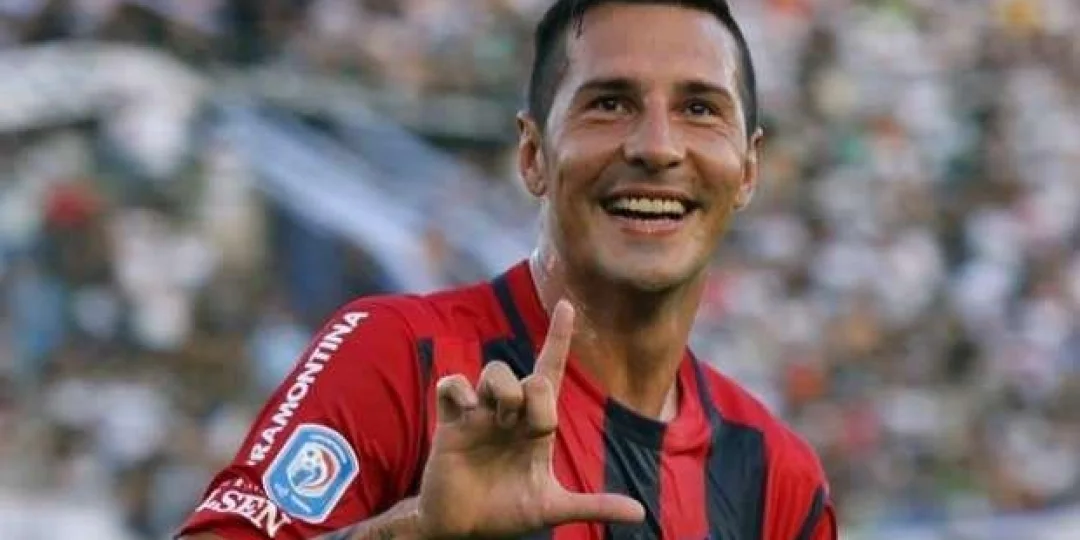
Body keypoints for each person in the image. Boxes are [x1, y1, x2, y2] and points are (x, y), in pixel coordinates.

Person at [178, 1, 837, 539]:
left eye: (699, 108)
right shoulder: (405, 358)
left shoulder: (779, 479)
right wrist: (413, 536)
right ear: (532, 156)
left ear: (748, 169)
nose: (657, 147)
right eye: (610, 103)